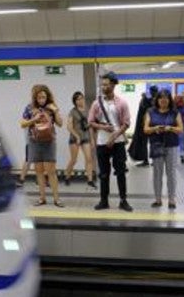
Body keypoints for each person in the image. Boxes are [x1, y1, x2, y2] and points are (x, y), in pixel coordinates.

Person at [88, 72, 132, 212]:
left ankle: (123, 200)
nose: (103, 87)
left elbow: (126, 123)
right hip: (102, 142)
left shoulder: (122, 103)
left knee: (120, 172)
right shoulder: (96, 103)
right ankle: (103, 200)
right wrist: (103, 127)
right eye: (102, 84)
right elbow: (90, 122)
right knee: (104, 173)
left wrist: (114, 136)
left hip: (118, 142)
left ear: (113, 85)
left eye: (106, 84)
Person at [20, 85, 64, 207]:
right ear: (35, 98)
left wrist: (55, 110)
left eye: (44, 97)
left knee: (51, 171)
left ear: (47, 97)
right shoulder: (29, 108)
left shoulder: (51, 107)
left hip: (49, 141)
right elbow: (22, 124)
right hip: (34, 141)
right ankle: (42, 198)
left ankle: (57, 199)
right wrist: (34, 119)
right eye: (39, 97)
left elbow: (60, 124)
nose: (41, 99)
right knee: (38, 171)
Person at [144, 89, 183, 209]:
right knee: (157, 174)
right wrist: (155, 128)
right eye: (161, 98)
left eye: (166, 98)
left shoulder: (174, 112)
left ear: (169, 100)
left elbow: (180, 129)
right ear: (157, 100)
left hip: (171, 145)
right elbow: (145, 129)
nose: (163, 100)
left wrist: (170, 128)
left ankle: (171, 200)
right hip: (156, 145)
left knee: (171, 173)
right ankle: (158, 199)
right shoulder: (150, 112)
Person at [64, 91, 96, 188]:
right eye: (78, 99)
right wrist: (77, 136)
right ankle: (67, 177)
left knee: (89, 158)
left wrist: (92, 139)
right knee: (74, 160)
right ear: (74, 101)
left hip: (85, 137)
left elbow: (90, 126)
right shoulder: (72, 112)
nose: (80, 100)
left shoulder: (88, 111)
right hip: (75, 138)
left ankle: (90, 180)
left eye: (81, 98)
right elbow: (69, 127)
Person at [129, 85, 156, 166]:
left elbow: (142, 112)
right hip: (154, 125)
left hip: (145, 125)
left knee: (144, 142)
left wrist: (143, 98)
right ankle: (153, 160)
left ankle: (146, 160)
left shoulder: (146, 101)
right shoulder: (156, 102)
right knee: (153, 142)